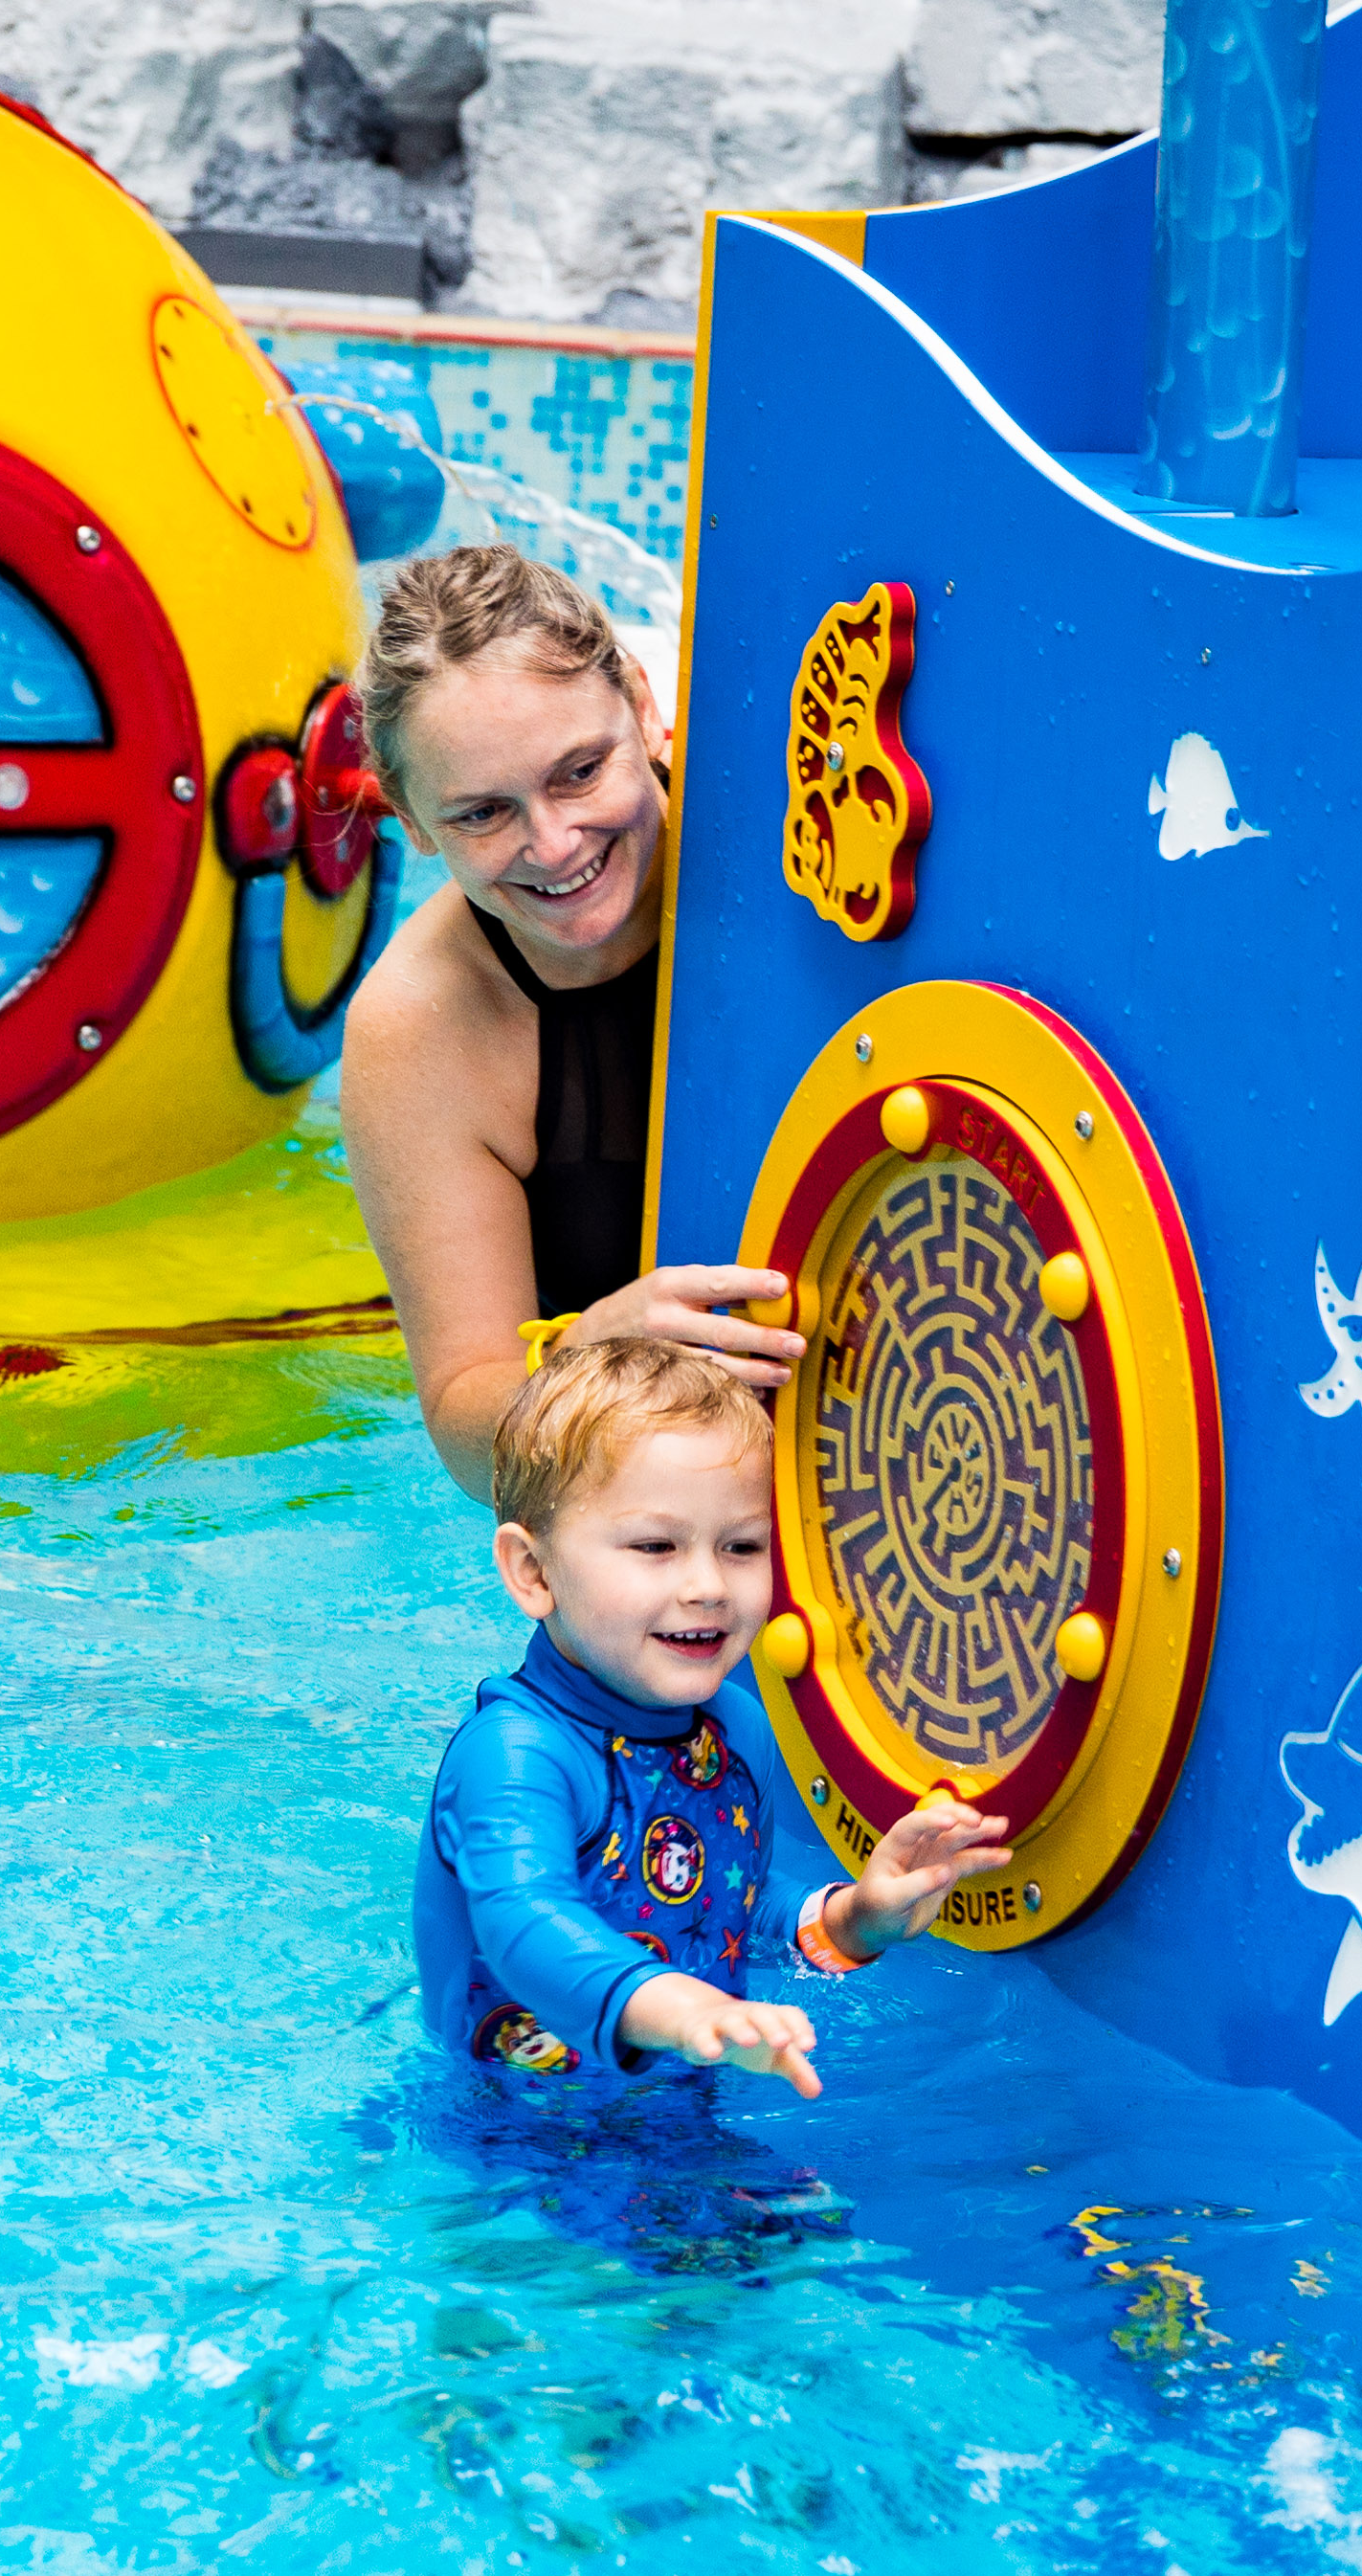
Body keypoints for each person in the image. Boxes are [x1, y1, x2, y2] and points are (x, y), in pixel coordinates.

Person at [418, 1338, 1007, 2095]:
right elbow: (524, 1925)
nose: (707, 1584)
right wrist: (677, 2005)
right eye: (655, 1545)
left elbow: (724, 1900)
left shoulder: (733, 1731)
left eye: (740, 1545)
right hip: (510, 2123)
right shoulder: (515, 1754)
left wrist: (853, 1918)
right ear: (532, 1573)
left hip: (679, 2095)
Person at [337, 545, 803, 1497]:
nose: (552, 845)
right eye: (479, 814)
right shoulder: (421, 1026)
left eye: (580, 771)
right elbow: (470, 1431)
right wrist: (585, 1356)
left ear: (642, 706)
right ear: (413, 822)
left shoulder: (798, 856)